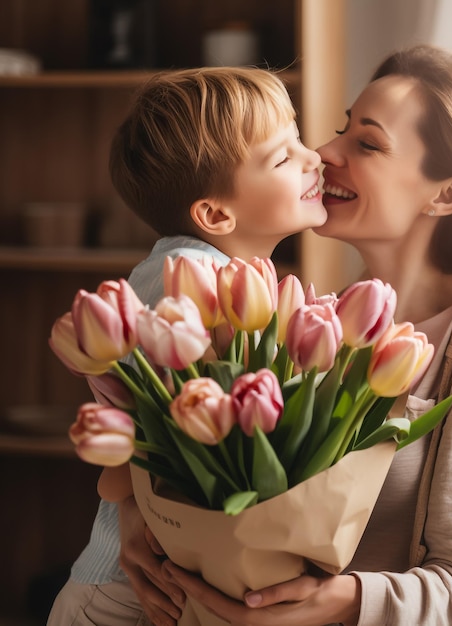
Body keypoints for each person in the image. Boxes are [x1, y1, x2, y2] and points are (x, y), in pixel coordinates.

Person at [156, 44, 452, 625]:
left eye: (368, 143)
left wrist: (342, 601)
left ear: (446, 194)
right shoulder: (314, 316)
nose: (324, 153)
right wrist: (144, 525)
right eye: (340, 130)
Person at [46, 65, 326, 625]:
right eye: (283, 157)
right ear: (216, 214)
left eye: (298, 137)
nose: (312, 157)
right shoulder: (183, 272)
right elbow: (151, 427)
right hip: (121, 596)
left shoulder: (237, 274)